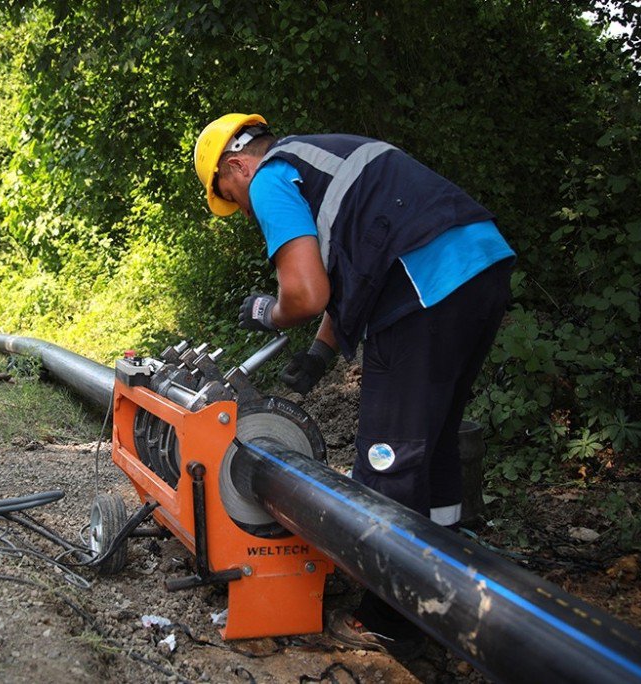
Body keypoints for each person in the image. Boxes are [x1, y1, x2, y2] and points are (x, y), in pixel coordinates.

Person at [193, 113, 515, 659]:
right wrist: (319, 355)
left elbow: (306, 292)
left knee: (389, 460)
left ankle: (391, 617)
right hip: (479, 266)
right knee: (434, 443)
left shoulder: (271, 177)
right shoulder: (323, 159)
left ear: (236, 165)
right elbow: (346, 275)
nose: (245, 211)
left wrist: (268, 311)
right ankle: (447, 581)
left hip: (423, 286)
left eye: (233, 198)